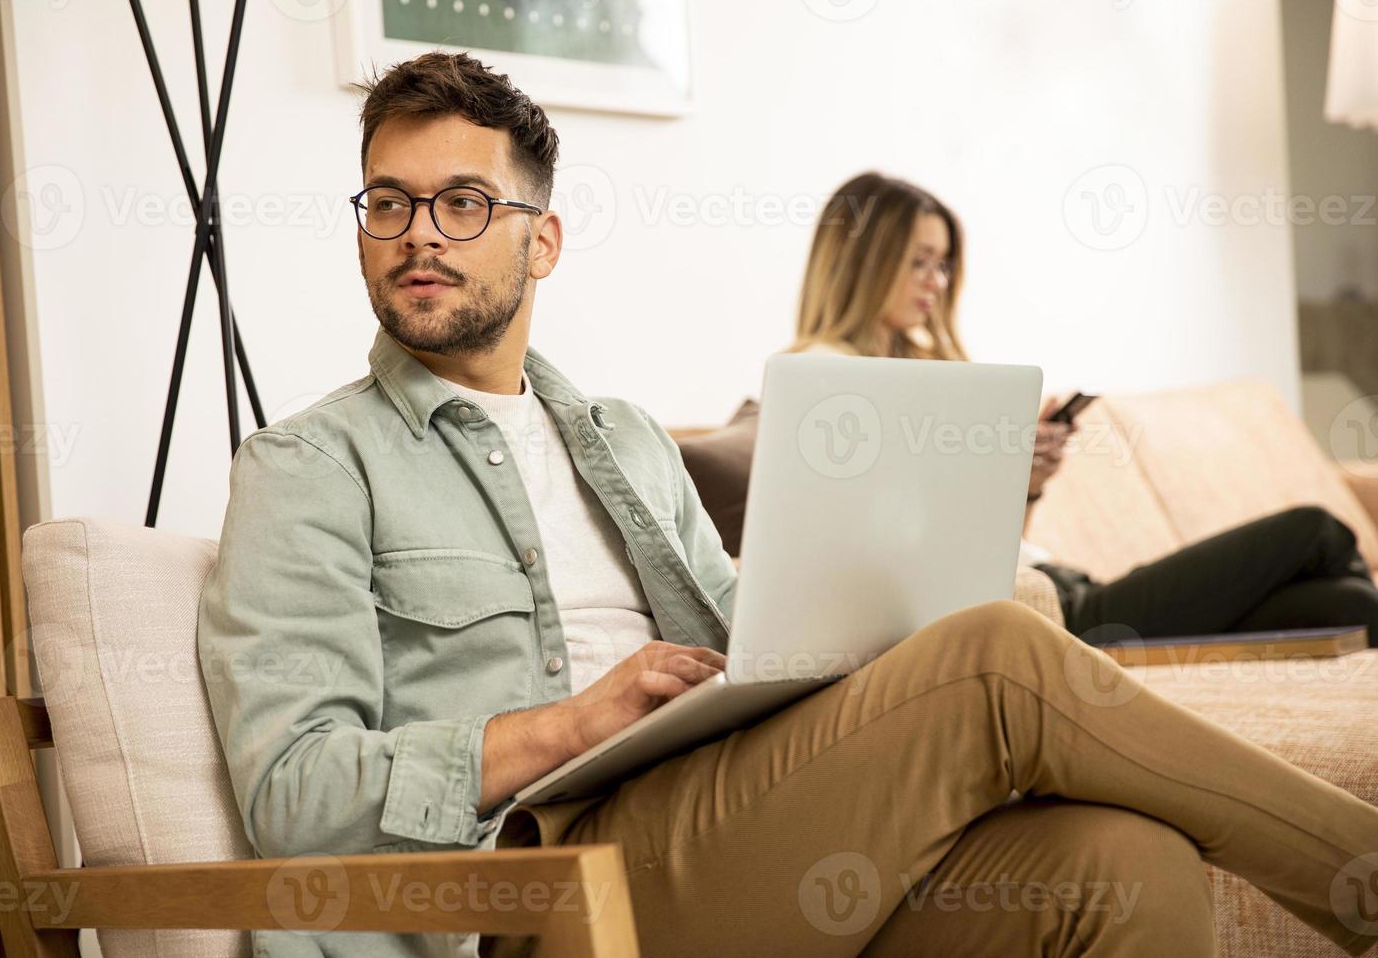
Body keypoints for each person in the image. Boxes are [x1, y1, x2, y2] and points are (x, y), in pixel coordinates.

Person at [196, 52, 1378, 958]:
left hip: (720, 832)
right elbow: (293, 791)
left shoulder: (622, 441)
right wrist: (568, 723)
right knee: (1000, 655)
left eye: (461, 203)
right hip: (536, 894)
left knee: (1123, 863)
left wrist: (849, 637)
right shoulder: (309, 465)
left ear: (541, 240)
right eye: (387, 204)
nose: (417, 237)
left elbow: (750, 644)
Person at [789, 171, 1378, 647]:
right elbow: (907, 551)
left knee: (1352, 606)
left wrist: (1028, 483)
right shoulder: (826, 379)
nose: (936, 282)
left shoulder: (924, 368)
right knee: (1315, 529)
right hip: (1063, 617)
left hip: (1060, 584)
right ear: (863, 261)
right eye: (918, 261)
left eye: (943, 264)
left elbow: (984, 539)